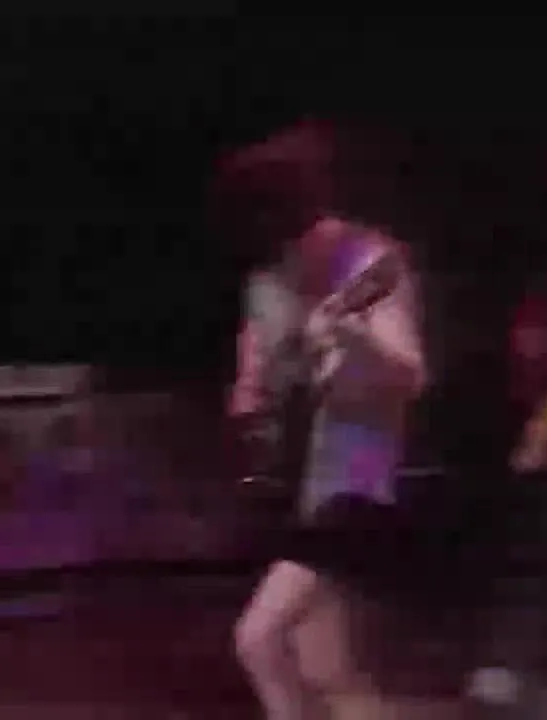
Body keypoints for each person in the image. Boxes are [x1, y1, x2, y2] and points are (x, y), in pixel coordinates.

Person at [219, 122, 428, 720]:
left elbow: (410, 374)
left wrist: (350, 338)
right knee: (329, 672)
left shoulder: (367, 263)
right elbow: (258, 372)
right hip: (304, 487)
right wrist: (251, 393)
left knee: (260, 639)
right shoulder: (270, 278)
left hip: (356, 479)